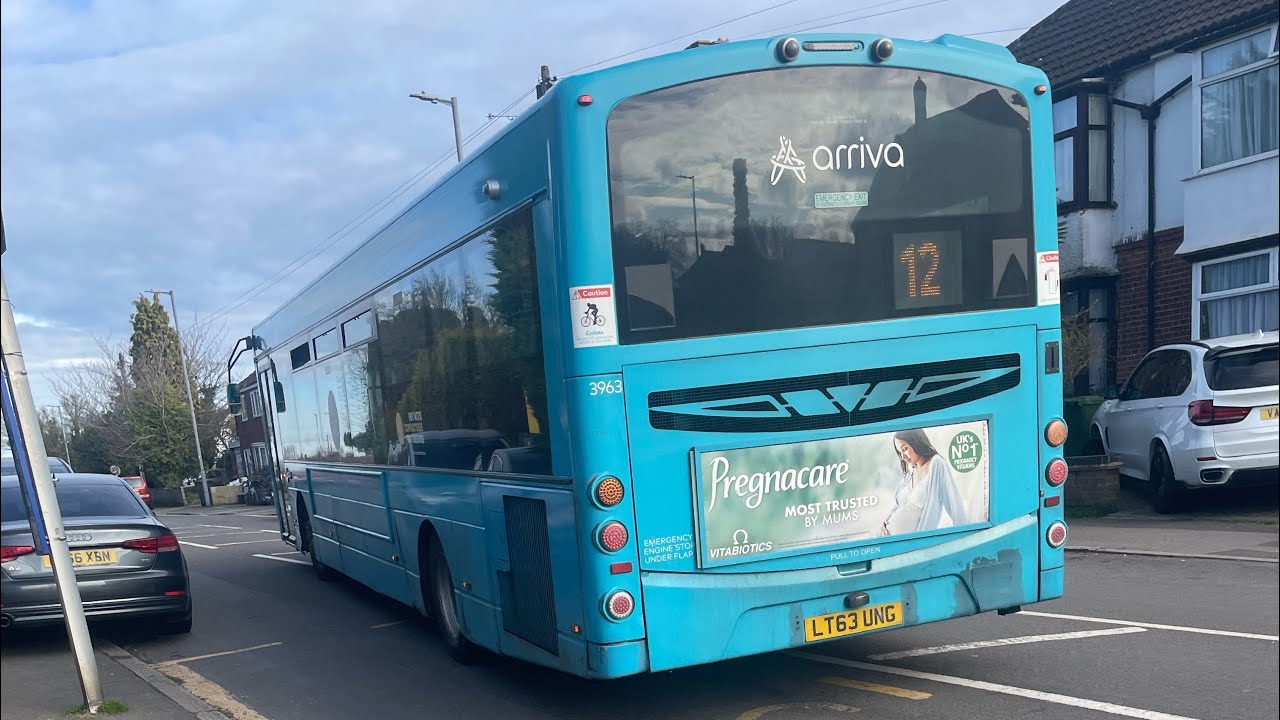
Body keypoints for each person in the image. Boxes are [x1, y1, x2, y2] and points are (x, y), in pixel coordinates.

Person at [880, 428, 969, 536]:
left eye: (905, 449)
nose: (903, 457)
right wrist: (885, 522)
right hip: (888, 535)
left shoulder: (937, 464)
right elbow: (899, 504)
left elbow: (954, 503)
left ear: (916, 442)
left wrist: (964, 534)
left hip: (913, 542)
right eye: (900, 452)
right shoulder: (911, 471)